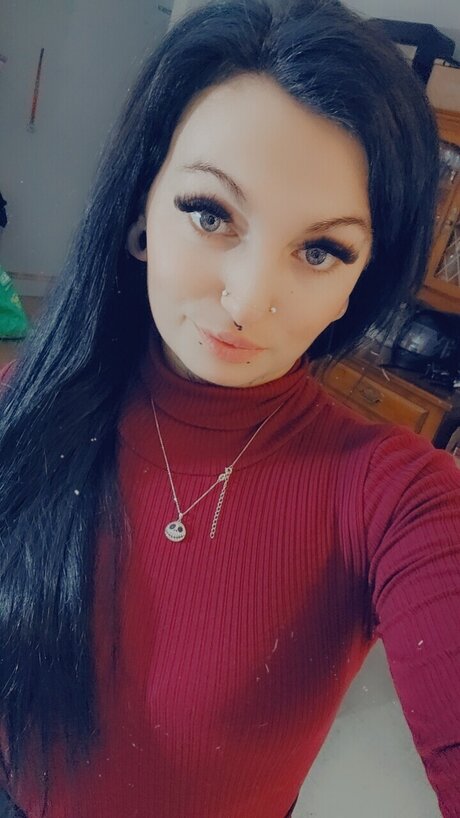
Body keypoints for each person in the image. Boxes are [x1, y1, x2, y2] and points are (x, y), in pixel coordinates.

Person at [0, 0, 459, 816]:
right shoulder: (22, 404)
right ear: (142, 209)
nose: (248, 300)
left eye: (321, 250)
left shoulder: (395, 495)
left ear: (358, 283)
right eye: (210, 214)